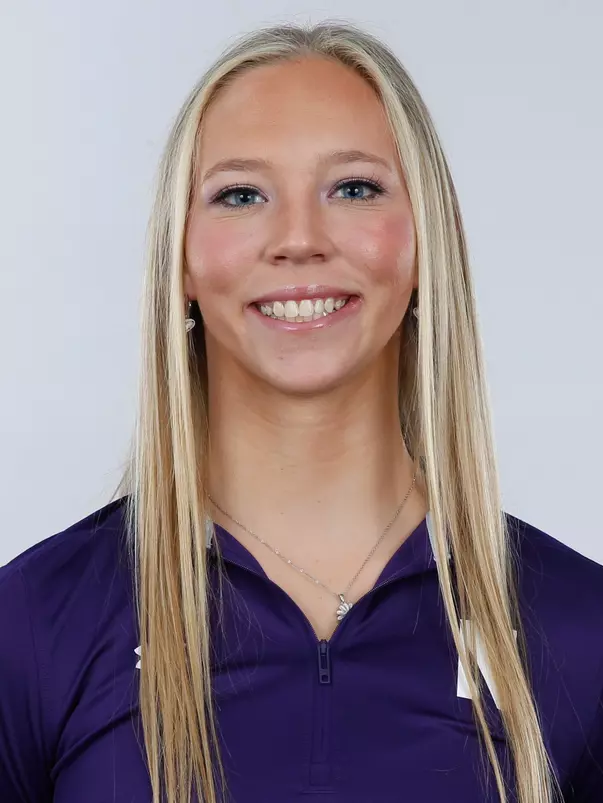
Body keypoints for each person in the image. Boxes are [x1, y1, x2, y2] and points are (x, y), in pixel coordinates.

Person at [0, 19, 601, 803]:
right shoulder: (35, 624)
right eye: (240, 194)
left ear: (425, 242)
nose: (298, 238)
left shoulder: (576, 629)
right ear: (181, 260)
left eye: (353, 188)